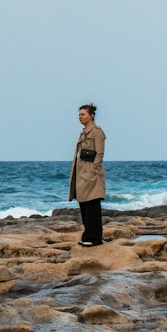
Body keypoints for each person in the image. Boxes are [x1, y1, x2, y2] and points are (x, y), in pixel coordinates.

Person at [69, 103, 106, 246]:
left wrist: (93, 172)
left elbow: (100, 154)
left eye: (83, 114)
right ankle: (87, 236)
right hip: (81, 175)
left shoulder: (97, 132)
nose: (80, 117)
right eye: (79, 114)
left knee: (92, 208)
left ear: (91, 116)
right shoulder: (83, 132)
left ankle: (95, 239)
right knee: (84, 207)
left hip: (91, 176)